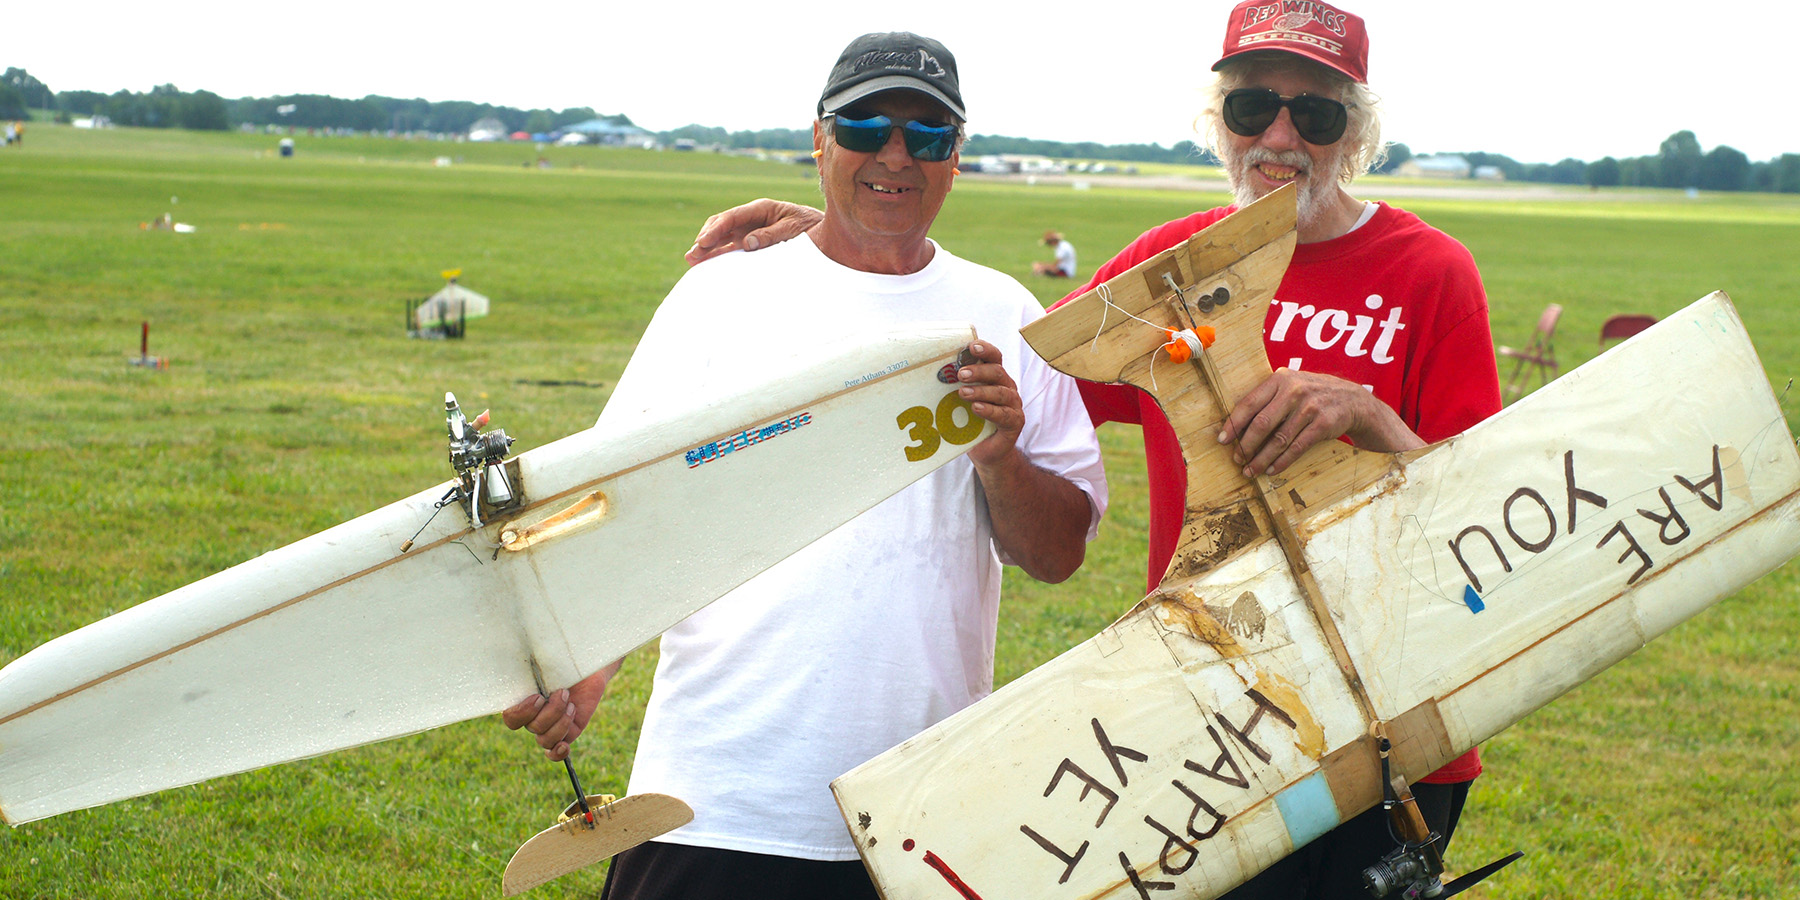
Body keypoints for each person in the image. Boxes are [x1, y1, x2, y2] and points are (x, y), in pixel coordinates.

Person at [683, 4, 1502, 897]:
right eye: (1251, 107)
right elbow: (1017, 363)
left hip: (1396, 716)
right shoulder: (1171, 267)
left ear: (1357, 133)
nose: (1279, 137)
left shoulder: (1433, 271)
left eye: (1315, 115)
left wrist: (1368, 413)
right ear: (1218, 123)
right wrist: (850, 236)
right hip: (1221, 721)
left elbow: (1488, 515)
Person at [505, 31, 1107, 900]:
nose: (895, 154)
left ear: (956, 158)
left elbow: (1059, 555)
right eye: (866, 126)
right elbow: (616, 501)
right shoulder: (723, 295)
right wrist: (583, 660)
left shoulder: (1005, 311)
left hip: (916, 817)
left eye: (928, 134)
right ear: (820, 140)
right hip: (715, 798)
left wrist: (1000, 457)